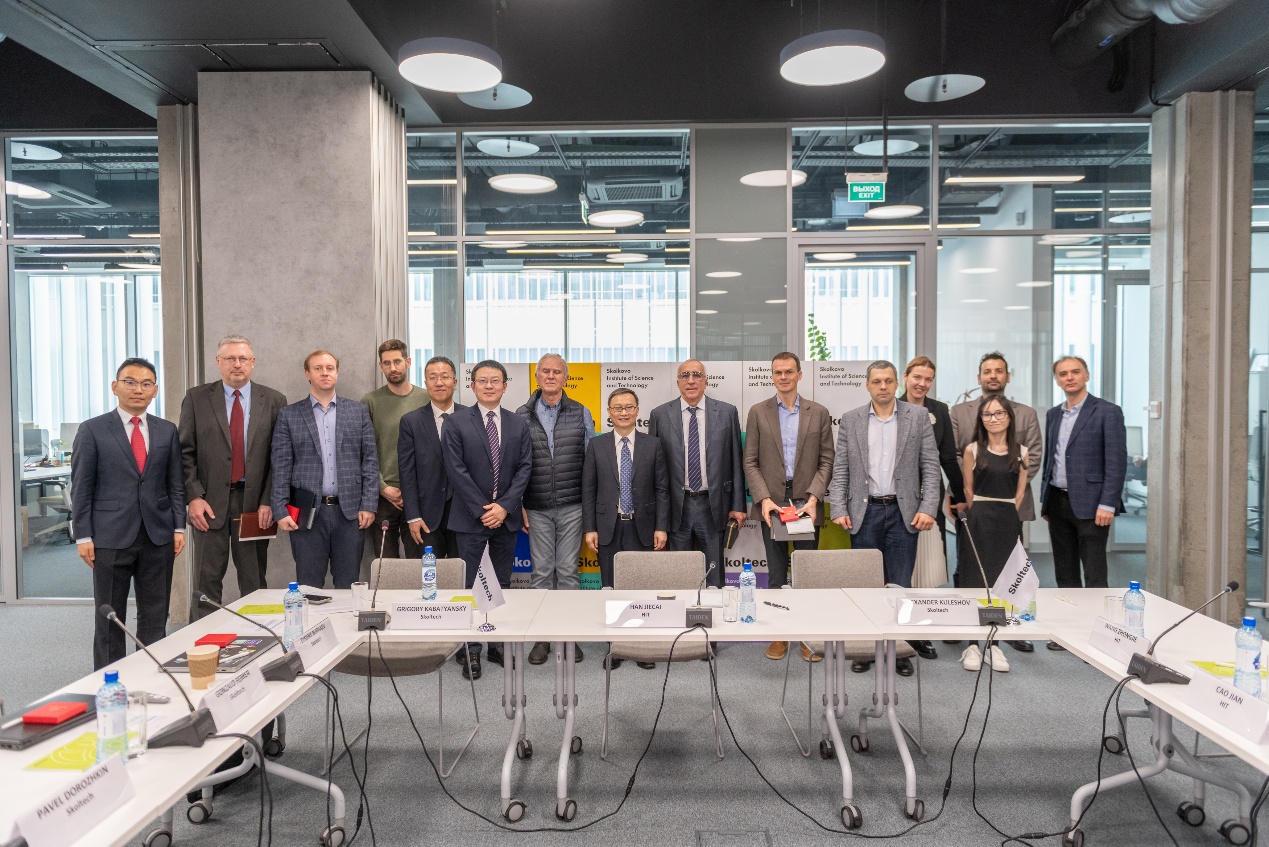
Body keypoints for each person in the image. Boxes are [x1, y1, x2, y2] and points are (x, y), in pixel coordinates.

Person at [73, 358, 186, 670]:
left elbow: (175, 484)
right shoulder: (92, 429)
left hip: (157, 535)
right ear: (115, 387)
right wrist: (82, 535)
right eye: (130, 382)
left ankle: (151, 676)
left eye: (146, 384)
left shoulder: (166, 430)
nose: (138, 389)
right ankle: (109, 682)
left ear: (155, 390)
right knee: (110, 616)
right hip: (109, 536)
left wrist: (179, 528)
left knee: (155, 615)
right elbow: (81, 487)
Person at [829, 360, 939, 677]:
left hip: (905, 513)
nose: (882, 386)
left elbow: (930, 467)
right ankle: (867, 646)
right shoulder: (851, 420)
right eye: (876, 381)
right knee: (866, 585)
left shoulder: (917, 417)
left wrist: (928, 507)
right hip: (865, 513)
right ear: (867, 385)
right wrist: (838, 508)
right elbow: (841, 469)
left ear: (896, 383)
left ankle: (899, 649)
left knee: (900, 585)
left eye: (888, 381)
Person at [179, 334, 286, 609]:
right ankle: (204, 635)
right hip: (208, 504)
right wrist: (193, 497)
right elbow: (184, 452)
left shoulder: (273, 400)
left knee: (254, 582)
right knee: (205, 582)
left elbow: (280, 458)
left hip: (254, 506)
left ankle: (259, 633)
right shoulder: (196, 398)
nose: (237, 364)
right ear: (218, 361)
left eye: (242, 358)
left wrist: (268, 501)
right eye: (230, 358)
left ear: (253, 362)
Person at [443, 359, 532, 681]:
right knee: (470, 585)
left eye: (495, 381)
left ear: (505, 386)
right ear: (472, 385)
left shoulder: (518, 424)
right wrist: (484, 509)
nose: (489, 386)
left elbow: (525, 468)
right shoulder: (455, 422)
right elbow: (456, 470)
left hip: (505, 519)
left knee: (501, 583)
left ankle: (496, 643)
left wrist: (504, 507)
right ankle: (472, 648)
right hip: (470, 518)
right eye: (483, 380)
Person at [743, 352, 834, 662]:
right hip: (773, 505)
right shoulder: (758, 412)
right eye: (778, 372)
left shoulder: (818, 412)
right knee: (776, 572)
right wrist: (763, 498)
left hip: (806, 504)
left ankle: (807, 637)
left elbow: (827, 459)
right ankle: (780, 634)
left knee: (806, 574)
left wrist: (814, 498)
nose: (783, 377)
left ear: (799, 375)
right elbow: (750, 460)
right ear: (772, 376)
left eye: (789, 371)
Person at [949, 351, 1042, 654]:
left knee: (1010, 571)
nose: (993, 376)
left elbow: (1033, 456)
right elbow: (954, 456)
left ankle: (1005, 630)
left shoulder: (1026, 413)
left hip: (1009, 508)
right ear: (979, 377)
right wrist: (973, 495)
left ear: (1007, 376)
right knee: (970, 568)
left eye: (999, 370)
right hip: (974, 507)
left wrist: (1006, 486)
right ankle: (968, 630)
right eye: (987, 371)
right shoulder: (959, 412)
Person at [270, 350, 378, 589]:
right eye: (318, 368)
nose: (325, 373)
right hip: (307, 514)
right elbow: (281, 466)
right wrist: (280, 509)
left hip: (350, 513)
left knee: (349, 585)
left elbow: (370, 460)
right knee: (308, 586)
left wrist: (369, 504)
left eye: (330, 368)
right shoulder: (289, 415)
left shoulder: (357, 411)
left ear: (337, 373)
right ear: (307, 374)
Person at [517, 354, 595, 665]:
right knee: (540, 574)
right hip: (535, 507)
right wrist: (519, 505)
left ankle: (568, 635)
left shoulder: (581, 412)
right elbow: (515, 465)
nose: (551, 376)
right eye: (546, 371)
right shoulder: (521, 415)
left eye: (557, 372)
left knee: (567, 573)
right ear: (537, 377)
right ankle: (542, 637)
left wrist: (589, 507)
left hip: (573, 506)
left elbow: (591, 463)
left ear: (566, 377)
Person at [583, 389, 669, 668]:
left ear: (637, 411)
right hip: (608, 527)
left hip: (642, 526)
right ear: (609, 412)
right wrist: (590, 527)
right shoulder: (596, 445)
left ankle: (641, 647)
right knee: (611, 587)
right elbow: (589, 489)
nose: (623, 412)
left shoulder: (653, 445)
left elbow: (662, 489)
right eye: (617, 408)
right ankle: (615, 647)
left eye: (629, 407)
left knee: (641, 588)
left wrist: (661, 526)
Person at [648, 359, 746, 588]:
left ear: (706, 381)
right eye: (685, 376)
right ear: (677, 383)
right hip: (676, 506)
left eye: (696, 375)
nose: (691, 380)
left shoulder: (727, 412)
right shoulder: (659, 415)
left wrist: (738, 505)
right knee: (679, 573)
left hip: (713, 504)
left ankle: (716, 608)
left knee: (714, 573)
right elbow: (653, 469)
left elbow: (735, 460)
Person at [898, 355, 965, 662]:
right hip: (896, 496)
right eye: (917, 377)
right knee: (898, 567)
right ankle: (894, 632)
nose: (922, 384)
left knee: (925, 565)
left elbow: (948, 457)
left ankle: (920, 632)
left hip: (929, 496)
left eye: (928, 379)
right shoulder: (891, 406)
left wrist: (960, 495)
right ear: (905, 377)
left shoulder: (939, 410)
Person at [1040, 355, 1127, 591]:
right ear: (1057, 380)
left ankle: (1095, 614)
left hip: (1093, 504)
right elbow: (1051, 459)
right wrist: (1046, 501)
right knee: (1064, 571)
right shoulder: (1053, 414)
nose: (1070, 377)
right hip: (1057, 502)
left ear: (1086, 375)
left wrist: (1108, 504)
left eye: (1075, 372)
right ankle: (1069, 614)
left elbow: (1116, 462)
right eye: (1063, 374)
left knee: (1094, 573)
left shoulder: (1108, 412)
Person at [958, 395, 1029, 673]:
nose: (993, 419)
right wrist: (980, 512)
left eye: (999, 413)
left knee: (1002, 581)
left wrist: (1007, 514)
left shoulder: (1022, 452)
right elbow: (968, 489)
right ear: (981, 420)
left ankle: (994, 644)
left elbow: (1020, 493)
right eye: (987, 415)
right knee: (974, 578)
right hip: (979, 519)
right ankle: (972, 644)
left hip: (1007, 520)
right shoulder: (972, 449)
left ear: (1009, 417)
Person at [361, 339, 428, 558]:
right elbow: (363, 450)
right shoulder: (370, 401)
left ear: (408, 362)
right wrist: (382, 488)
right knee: (386, 564)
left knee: (418, 563)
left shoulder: (426, 398)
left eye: (397, 361)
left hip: (418, 495)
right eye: (387, 363)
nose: (393, 368)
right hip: (383, 495)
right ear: (380, 366)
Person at [398, 356, 465, 559]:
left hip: (464, 514)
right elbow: (407, 473)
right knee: (428, 574)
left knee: (463, 574)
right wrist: (413, 516)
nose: (439, 382)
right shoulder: (411, 422)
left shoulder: (470, 418)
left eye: (445, 376)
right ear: (425, 382)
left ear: (455, 382)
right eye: (432, 377)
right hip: (426, 517)